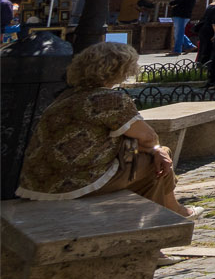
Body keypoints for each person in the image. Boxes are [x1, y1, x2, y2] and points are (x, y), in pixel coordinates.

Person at [18, 42, 186, 212]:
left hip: (37, 183)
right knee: (157, 161)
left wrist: (153, 149)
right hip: (73, 185)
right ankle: (170, 212)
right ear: (121, 69)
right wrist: (156, 150)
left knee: (149, 155)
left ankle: (163, 211)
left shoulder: (66, 96)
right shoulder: (109, 99)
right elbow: (148, 137)